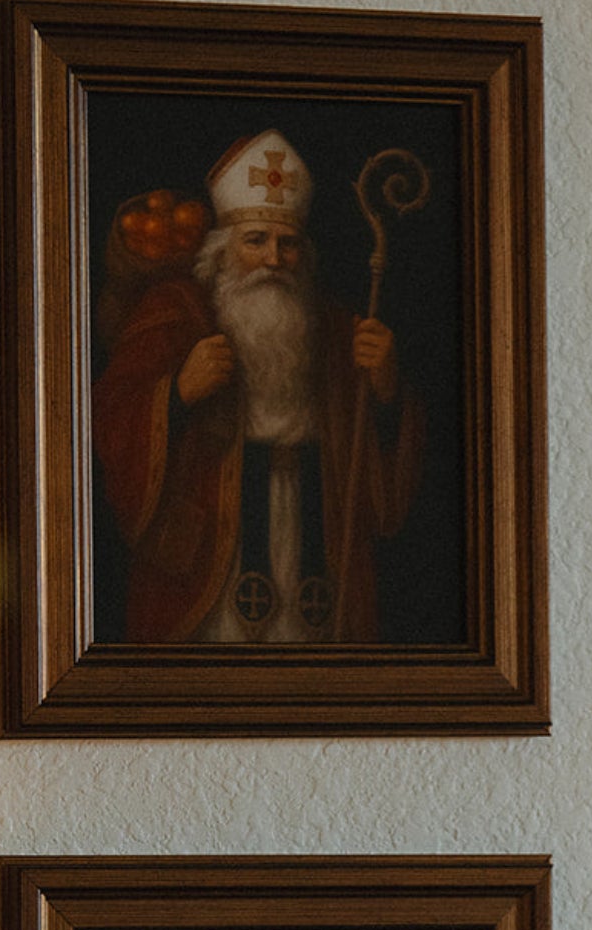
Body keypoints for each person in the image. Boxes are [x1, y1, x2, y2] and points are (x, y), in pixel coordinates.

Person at [91, 129, 423, 644]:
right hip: (206, 558)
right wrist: (177, 393)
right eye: (256, 241)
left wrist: (385, 392)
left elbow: (383, 492)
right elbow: (109, 420)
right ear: (223, 252)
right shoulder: (175, 314)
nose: (274, 259)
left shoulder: (336, 331)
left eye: (288, 244)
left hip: (317, 543)